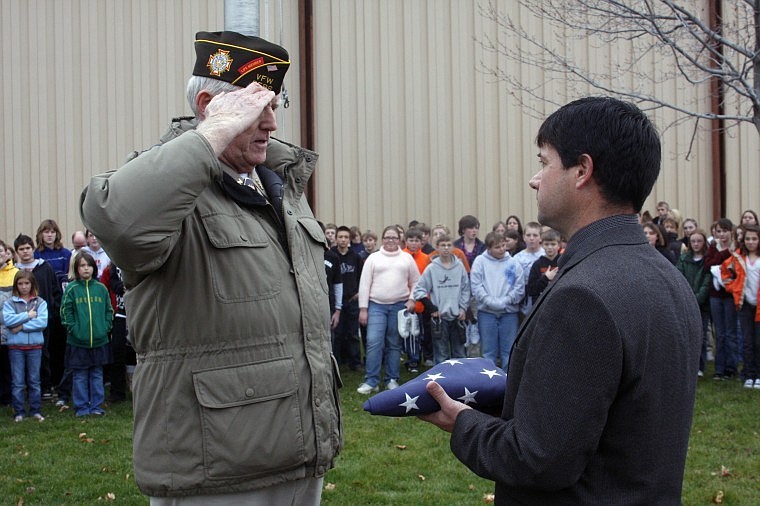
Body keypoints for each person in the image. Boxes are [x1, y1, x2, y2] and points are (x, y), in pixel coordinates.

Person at [79, 31, 341, 503]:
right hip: (215, 465)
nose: (271, 122)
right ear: (208, 104)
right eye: (255, 107)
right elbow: (115, 217)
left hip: (299, 451)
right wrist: (211, 135)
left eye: (275, 105)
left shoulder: (279, 185)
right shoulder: (168, 193)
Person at [419, 97, 701, 504]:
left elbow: (537, 459)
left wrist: (463, 422)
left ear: (582, 171)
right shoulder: (668, 279)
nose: (535, 179)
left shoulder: (583, 295)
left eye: (545, 162)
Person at [357, 226, 420, 394]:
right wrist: (363, 309)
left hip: (399, 306)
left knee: (394, 344)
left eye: (394, 237)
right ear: (382, 239)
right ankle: (371, 381)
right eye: (387, 237)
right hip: (376, 306)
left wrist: (412, 299)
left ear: (400, 239)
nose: (390, 240)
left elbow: (416, 282)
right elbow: (364, 284)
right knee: (373, 342)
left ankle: (392, 379)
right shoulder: (373, 258)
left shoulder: (406, 258)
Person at [60, 252, 113, 417]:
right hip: (78, 342)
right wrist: (74, 329)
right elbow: (65, 312)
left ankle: (96, 406)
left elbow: (108, 311)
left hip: (99, 340)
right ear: (77, 268)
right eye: (82, 265)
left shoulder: (101, 288)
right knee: (80, 375)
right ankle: (82, 407)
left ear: (94, 268)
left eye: (89, 265)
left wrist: (105, 328)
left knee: (97, 374)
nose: (86, 269)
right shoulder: (72, 289)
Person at [13, 235, 62, 398]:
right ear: (17, 252)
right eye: (21, 249)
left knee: (44, 353)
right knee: (21, 353)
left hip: (43, 319)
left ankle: (46, 386)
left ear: (32, 248)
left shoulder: (44, 267)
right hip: (20, 320)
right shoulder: (16, 270)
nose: (25, 251)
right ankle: (25, 387)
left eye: (27, 248)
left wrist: (53, 312)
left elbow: (55, 290)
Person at [409, 233, 470, 364]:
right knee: (441, 353)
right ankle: (442, 382)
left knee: (459, 353)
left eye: (449, 245)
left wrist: (463, 308)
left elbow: (465, 288)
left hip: (457, 315)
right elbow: (419, 290)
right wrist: (431, 307)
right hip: (439, 317)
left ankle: (460, 382)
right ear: (437, 247)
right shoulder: (432, 268)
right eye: (443, 245)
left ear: (453, 247)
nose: (446, 248)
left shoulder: (459, 267)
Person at [470, 232, 524, 370]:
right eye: (497, 247)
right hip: (487, 312)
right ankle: (490, 383)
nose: (501, 249)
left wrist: (506, 301)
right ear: (489, 248)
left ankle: (507, 382)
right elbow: (476, 286)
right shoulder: (480, 261)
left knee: (508, 351)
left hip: (509, 313)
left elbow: (519, 287)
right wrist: (489, 301)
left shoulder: (513, 263)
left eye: (503, 245)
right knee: (489, 352)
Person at [3, 270, 48, 422]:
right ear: (16, 285)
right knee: (18, 382)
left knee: (34, 380)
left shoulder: (40, 302)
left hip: (35, 347)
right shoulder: (10, 303)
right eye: (20, 283)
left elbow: (42, 322)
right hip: (16, 347)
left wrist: (20, 326)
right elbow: (8, 321)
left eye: (26, 283)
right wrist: (27, 316)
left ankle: (35, 410)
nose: (24, 287)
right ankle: (19, 412)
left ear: (32, 284)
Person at [722, 224, 760, 388]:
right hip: (744, 305)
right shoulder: (737, 257)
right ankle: (749, 374)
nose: (751, 242)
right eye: (748, 239)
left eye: (754, 239)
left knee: (759, 342)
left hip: (759, 307)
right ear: (743, 240)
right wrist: (734, 289)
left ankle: (758, 375)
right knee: (747, 341)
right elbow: (725, 274)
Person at [705, 218, 739, 380]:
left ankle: (731, 368)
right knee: (720, 333)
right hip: (716, 295)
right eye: (719, 231)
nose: (722, 234)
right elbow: (708, 264)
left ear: (731, 231)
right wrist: (724, 253)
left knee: (731, 332)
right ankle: (719, 369)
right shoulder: (713, 247)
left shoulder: (737, 248)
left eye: (725, 231)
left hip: (731, 294)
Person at [676, 228, 712, 376]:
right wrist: (687, 299)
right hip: (686, 302)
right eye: (693, 241)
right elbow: (679, 277)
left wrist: (696, 299)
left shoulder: (708, 259)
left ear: (704, 242)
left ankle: (700, 365)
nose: (696, 244)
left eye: (699, 241)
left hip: (702, 305)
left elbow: (706, 283)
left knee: (701, 335)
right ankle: (688, 365)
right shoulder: (684, 258)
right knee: (686, 335)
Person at [332, 226, 364, 371]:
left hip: (352, 300)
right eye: (340, 237)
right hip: (336, 301)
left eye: (346, 237)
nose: (343, 240)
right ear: (336, 238)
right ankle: (337, 363)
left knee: (352, 333)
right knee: (337, 333)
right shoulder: (331, 255)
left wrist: (358, 293)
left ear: (349, 239)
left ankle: (355, 363)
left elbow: (362, 277)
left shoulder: (356, 257)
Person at [402, 227, 432, 372]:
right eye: (411, 240)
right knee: (409, 334)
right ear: (406, 241)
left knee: (421, 333)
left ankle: (424, 357)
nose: (414, 243)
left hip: (423, 302)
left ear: (422, 242)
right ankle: (412, 361)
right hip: (406, 301)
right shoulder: (401, 256)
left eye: (417, 241)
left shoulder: (426, 258)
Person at [0, 240, 20, 406]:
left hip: (10, 328)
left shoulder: (15, 273)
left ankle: (7, 398)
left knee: (8, 366)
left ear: (6, 253)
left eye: (1, 251)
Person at [513, 222, 545, 314]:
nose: (531, 238)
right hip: (523, 303)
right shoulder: (517, 258)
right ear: (524, 237)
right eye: (528, 235)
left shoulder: (546, 255)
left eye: (535, 235)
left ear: (540, 237)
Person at [525, 228, 562, 308]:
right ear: (542, 245)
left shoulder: (563, 262)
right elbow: (531, 290)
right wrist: (546, 278)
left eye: (553, 244)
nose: (549, 247)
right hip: (541, 307)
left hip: (559, 305)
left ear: (559, 245)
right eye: (546, 244)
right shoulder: (537, 264)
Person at [34, 219, 72, 287]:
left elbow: (69, 275)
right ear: (41, 234)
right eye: (46, 232)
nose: (50, 235)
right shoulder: (36, 255)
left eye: (52, 232)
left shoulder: (66, 254)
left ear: (56, 234)